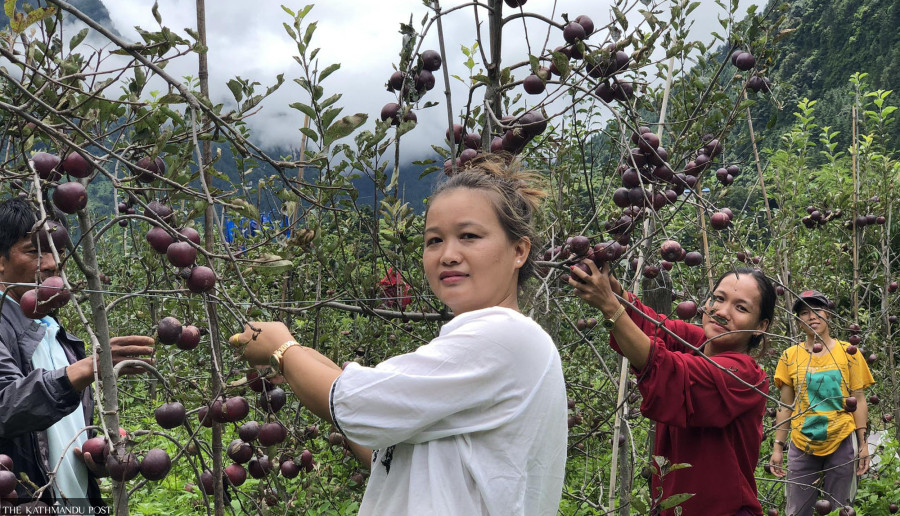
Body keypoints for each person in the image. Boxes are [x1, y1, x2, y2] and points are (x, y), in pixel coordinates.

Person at [231, 157, 568, 515]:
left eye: (469, 236)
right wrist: (303, 365)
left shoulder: (504, 337)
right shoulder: (489, 345)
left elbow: (358, 407)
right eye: (434, 240)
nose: (448, 255)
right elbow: (384, 451)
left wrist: (282, 349)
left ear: (519, 250)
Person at [569, 263, 775, 516]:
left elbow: (670, 372)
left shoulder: (745, 376)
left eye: (741, 308)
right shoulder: (698, 342)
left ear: (760, 326)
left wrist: (610, 307)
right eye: (718, 299)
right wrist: (613, 286)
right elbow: (650, 325)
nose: (722, 312)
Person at [0, 197, 154, 509]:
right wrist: (85, 369)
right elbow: (6, 408)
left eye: (58, 253)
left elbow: (52, 434)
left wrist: (93, 452)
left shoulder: (56, 333)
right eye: (34, 251)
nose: (51, 264)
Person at [768, 290, 874, 515]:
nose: (811, 316)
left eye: (817, 310)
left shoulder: (849, 352)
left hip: (841, 437)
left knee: (841, 508)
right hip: (802, 440)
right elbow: (785, 405)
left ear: (828, 315)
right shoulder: (790, 355)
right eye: (804, 313)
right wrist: (778, 446)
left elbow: (860, 399)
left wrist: (862, 443)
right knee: (797, 509)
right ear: (798, 321)